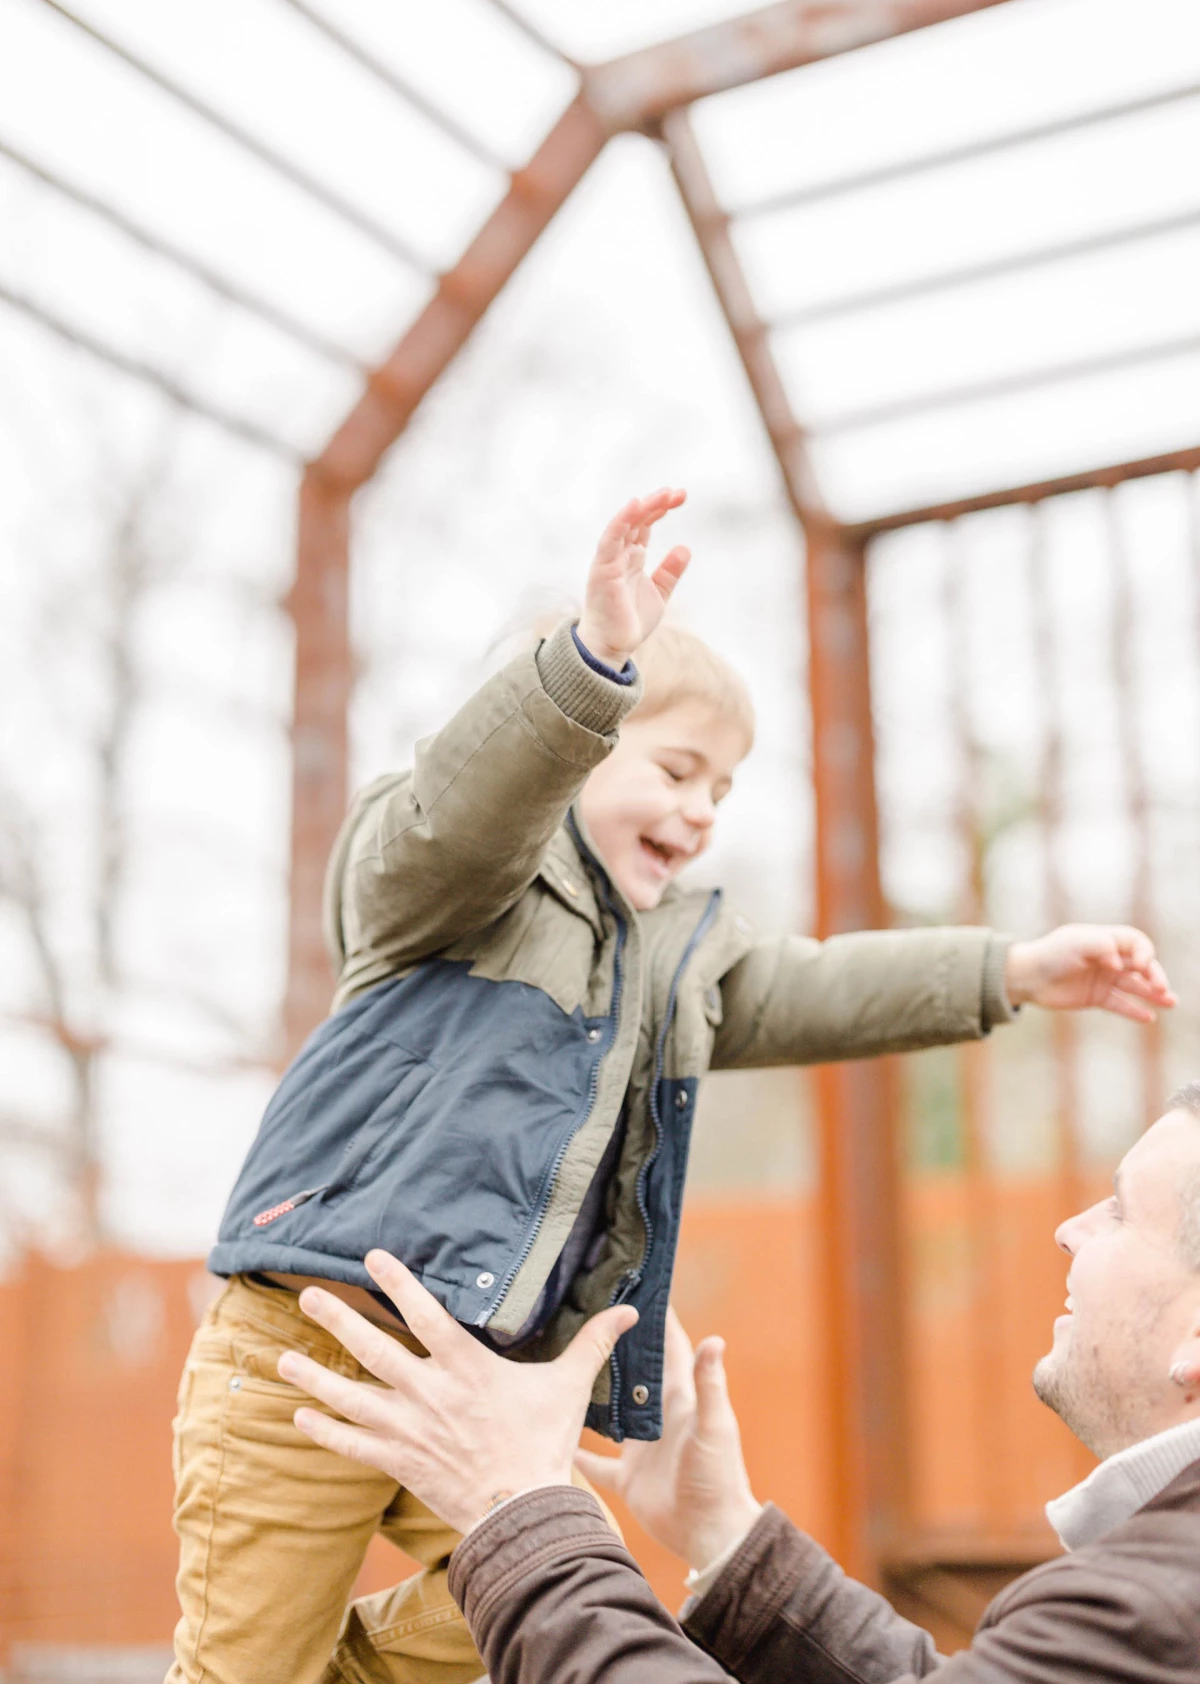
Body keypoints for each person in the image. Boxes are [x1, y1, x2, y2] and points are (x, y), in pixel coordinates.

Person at [169, 489, 1175, 1684]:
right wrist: (589, 668)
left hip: (486, 1373)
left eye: (724, 791)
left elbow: (812, 988)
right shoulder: (450, 892)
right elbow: (463, 813)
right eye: (678, 769)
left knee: (504, 1604)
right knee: (246, 1660)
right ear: (577, 753)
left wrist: (1005, 969)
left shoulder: (676, 958)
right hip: (314, 1341)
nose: (700, 812)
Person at [279, 1084, 1200, 1683]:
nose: (1071, 1229)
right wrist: (726, 1538)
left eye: (1120, 1210)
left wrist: (518, 1510)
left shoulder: (1161, 1605)